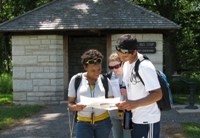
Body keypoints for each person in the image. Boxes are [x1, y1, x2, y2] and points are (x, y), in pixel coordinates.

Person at [115, 34, 162, 138]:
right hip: (136, 118)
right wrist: (126, 105)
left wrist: (135, 103)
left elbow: (158, 94)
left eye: (125, 56)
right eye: (119, 56)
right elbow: (133, 90)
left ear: (135, 51)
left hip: (148, 120)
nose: (122, 59)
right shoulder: (126, 64)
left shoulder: (144, 66)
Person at [68, 49, 113, 138]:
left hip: (103, 122)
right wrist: (75, 107)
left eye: (99, 69)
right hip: (83, 123)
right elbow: (70, 103)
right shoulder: (76, 79)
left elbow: (111, 100)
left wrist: (107, 103)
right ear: (85, 67)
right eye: (93, 70)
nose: (97, 73)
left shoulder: (105, 80)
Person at [108, 52, 131, 138]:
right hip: (114, 113)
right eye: (111, 67)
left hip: (128, 113)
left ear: (122, 63)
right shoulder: (109, 77)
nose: (114, 69)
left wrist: (128, 93)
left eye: (116, 66)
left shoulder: (130, 75)